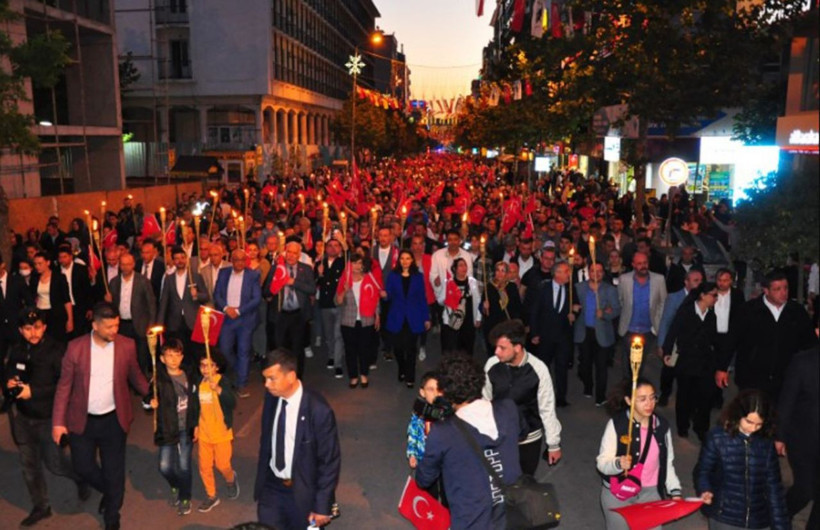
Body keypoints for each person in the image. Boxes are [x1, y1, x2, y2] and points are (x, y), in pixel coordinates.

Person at [51, 302, 150, 530]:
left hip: (114, 420)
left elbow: (135, 375)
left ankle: (112, 516)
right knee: (82, 466)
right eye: (109, 327)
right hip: (82, 420)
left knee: (113, 470)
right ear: (94, 325)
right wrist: (58, 422)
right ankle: (111, 491)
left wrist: (150, 393)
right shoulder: (75, 348)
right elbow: (64, 387)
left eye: (116, 325)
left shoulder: (126, 345)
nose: (114, 331)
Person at [416, 354, 522, 529]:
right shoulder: (508, 408)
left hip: (471, 521)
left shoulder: (443, 432)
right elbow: (521, 433)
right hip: (511, 514)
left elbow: (424, 478)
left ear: (446, 392)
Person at [5, 309, 88, 527]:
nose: (33, 333)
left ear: (45, 327)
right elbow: (9, 371)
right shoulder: (17, 349)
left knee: (55, 464)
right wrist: (9, 382)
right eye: (28, 329)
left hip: (49, 417)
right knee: (29, 466)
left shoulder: (56, 350)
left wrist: (33, 391)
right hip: (23, 418)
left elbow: (66, 385)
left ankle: (81, 477)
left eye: (37, 328)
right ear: (21, 330)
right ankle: (41, 506)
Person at [254, 348, 341, 529]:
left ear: (291, 376)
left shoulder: (318, 410)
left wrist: (322, 505)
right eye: (265, 379)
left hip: (303, 491)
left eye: (272, 378)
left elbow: (329, 461)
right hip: (272, 487)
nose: (266, 385)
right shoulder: (272, 398)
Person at [696, 390, 790, 530]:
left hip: (757, 519)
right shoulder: (717, 438)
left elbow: (774, 488)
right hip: (724, 517)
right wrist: (705, 489)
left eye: (759, 424)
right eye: (749, 422)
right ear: (737, 415)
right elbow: (703, 471)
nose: (753, 428)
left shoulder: (766, 443)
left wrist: (781, 525)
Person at [716, 270, 816, 402]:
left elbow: (809, 343)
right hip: (752, 377)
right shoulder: (749, 311)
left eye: (785, 288)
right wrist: (722, 367)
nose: (783, 293)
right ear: (766, 291)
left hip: (786, 378)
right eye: (777, 289)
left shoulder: (796, 312)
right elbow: (732, 339)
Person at [597, 378, 682, 530]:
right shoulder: (617, 424)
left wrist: (675, 491)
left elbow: (667, 462)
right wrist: (618, 464)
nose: (649, 404)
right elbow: (602, 463)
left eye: (652, 397)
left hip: (651, 493)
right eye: (642, 399)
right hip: (618, 493)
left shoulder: (661, 426)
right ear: (629, 400)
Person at [484, 319, 562, 476]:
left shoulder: (539, 369)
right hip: (500, 437)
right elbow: (484, 401)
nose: (496, 352)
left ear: (517, 348)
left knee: (526, 482)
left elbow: (547, 409)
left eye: (502, 348)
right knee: (499, 482)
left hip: (529, 439)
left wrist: (553, 444)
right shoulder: (491, 365)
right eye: (496, 347)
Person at [662, 282, 719, 441]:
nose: (716, 298)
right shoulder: (686, 312)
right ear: (703, 295)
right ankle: (683, 425)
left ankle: (701, 428)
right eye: (714, 295)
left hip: (705, 362)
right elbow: (673, 331)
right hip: (687, 361)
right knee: (684, 395)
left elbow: (714, 339)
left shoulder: (711, 316)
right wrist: (667, 351)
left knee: (705, 396)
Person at [149, 339, 197, 516]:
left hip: (186, 427)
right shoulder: (158, 379)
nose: (174, 359)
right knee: (164, 466)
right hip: (168, 427)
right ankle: (176, 485)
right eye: (169, 355)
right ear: (162, 359)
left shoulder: (189, 375)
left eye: (177, 355)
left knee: (184, 466)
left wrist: (196, 424)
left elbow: (195, 403)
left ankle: (185, 497)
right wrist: (150, 403)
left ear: (182, 356)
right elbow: (147, 398)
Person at [776, 346, 818, 528]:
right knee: (805, 489)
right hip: (803, 438)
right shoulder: (803, 361)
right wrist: (780, 436)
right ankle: (781, 515)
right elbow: (787, 399)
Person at [193, 349, 239, 513]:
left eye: (210, 365)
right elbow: (195, 407)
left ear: (217, 367)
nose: (205, 369)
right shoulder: (198, 384)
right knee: (204, 466)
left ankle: (231, 479)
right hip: (204, 433)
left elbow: (232, 402)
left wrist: (219, 390)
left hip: (221, 434)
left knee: (222, 465)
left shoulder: (223, 381)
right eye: (202, 365)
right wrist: (195, 426)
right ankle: (211, 495)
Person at [263, 241, 315, 378]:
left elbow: (312, 289)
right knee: (279, 349)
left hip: (298, 315)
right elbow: (266, 290)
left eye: (294, 253)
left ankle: (297, 378)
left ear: (299, 255)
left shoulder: (306, 269)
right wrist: (275, 287)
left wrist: (294, 282)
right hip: (280, 315)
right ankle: (280, 377)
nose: (291, 255)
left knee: (297, 349)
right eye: (289, 252)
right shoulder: (277, 268)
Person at [213, 249, 261, 398]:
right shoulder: (223, 273)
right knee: (224, 349)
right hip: (227, 318)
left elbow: (256, 299)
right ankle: (239, 370)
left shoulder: (253, 275)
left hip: (245, 319)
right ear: (231, 261)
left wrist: (238, 311)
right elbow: (217, 294)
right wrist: (226, 308)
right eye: (237, 260)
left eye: (242, 260)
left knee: (243, 351)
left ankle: (241, 383)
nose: (240, 263)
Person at [574, 262, 621, 406]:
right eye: (593, 270)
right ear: (588, 272)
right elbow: (571, 305)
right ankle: (588, 387)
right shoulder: (579, 287)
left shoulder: (610, 289)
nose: (596, 273)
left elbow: (616, 309)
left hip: (602, 333)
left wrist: (605, 314)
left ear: (603, 273)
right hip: (584, 331)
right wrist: (573, 309)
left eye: (600, 271)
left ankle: (600, 396)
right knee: (585, 364)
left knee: (601, 366)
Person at [655, 269, 704, 407]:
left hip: (693, 343)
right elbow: (666, 321)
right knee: (669, 370)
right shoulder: (675, 298)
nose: (699, 283)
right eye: (696, 281)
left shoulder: (703, 297)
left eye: (701, 280)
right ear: (686, 282)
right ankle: (665, 393)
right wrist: (662, 344)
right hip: (675, 341)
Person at [383, 249, 431, 387]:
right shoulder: (393, 276)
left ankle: (410, 376)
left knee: (411, 348)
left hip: (413, 316)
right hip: (397, 315)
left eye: (408, 258)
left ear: (412, 260)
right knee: (397, 347)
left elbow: (422, 298)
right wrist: (385, 295)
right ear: (399, 260)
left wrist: (426, 317)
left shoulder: (418, 277)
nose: (405, 261)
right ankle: (402, 367)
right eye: (402, 258)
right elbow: (388, 296)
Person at [530, 261, 575, 407]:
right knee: (544, 367)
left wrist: (574, 313)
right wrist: (534, 333)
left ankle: (561, 397)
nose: (569, 274)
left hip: (563, 336)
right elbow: (535, 311)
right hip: (546, 335)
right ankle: (544, 395)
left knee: (562, 367)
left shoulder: (570, 289)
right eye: (566, 271)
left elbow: (575, 307)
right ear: (556, 273)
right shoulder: (543, 289)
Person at [617, 251, 667, 381]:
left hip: (648, 330)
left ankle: (637, 385)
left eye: (645, 263)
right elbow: (620, 300)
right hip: (629, 328)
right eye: (639, 263)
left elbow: (663, 302)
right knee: (628, 363)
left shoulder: (659, 279)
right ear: (633, 265)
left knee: (641, 362)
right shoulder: (624, 279)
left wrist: (656, 323)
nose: (643, 266)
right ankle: (628, 387)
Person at [107, 252, 156, 380]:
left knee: (141, 356)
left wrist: (151, 325)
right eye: (123, 264)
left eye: (128, 264)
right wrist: (108, 301)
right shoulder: (114, 282)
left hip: (140, 324)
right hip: (121, 325)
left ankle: (142, 382)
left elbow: (151, 304)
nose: (125, 267)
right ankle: (125, 380)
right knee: (123, 355)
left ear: (133, 264)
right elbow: (111, 306)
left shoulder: (143, 281)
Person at [157, 246, 210, 363]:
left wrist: (197, 295)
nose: (179, 261)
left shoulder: (195, 276)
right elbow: (164, 302)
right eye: (176, 258)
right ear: (173, 261)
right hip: (174, 322)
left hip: (192, 321)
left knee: (195, 353)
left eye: (182, 258)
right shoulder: (169, 279)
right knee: (178, 352)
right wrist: (160, 323)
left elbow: (206, 296)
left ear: (186, 259)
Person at [335, 253, 380, 388]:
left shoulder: (369, 278)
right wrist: (344, 290)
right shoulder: (344, 279)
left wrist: (377, 315)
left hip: (366, 319)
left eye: (359, 263)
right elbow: (338, 301)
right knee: (350, 350)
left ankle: (364, 374)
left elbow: (375, 298)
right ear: (349, 265)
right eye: (354, 263)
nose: (356, 266)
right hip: (348, 321)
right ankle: (353, 376)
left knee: (365, 349)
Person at [406, 371, 452, 502]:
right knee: (429, 493)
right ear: (422, 392)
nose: (436, 394)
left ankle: (446, 509)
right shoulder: (419, 412)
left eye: (439, 390)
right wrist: (412, 453)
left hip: (445, 461)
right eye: (431, 389)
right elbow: (413, 433)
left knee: (447, 491)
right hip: (426, 459)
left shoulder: (448, 413)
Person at [438, 257, 482, 356]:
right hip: (453, 321)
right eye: (461, 265)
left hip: (468, 321)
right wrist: (448, 296)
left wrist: (478, 318)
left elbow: (478, 300)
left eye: (465, 265)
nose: (464, 268)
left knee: (467, 349)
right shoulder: (449, 282)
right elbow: (440, 300)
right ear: (455, 269)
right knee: (453, 349)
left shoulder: (472, 282)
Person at [315, 238, 346, 378]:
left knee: (338, 334)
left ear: (340, 248)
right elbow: (314, 282)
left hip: (339, 303)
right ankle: (331, 355)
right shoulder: (320, 263)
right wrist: (318, 274)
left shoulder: (344, 262)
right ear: (325, 248)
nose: (333, 248)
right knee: (328, 333)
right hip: (325, 302)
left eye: (336, 245)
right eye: (330, 245)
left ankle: (338, 364)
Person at [30, 252, 73, 344]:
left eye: (40, 264)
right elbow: (32, 296)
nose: (37, 266)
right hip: (40, 314)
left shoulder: (59, 277)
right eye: (35, 264)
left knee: (57, 340)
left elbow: (67, 300)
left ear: (48, 262)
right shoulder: (34, 278)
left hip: (56, 314)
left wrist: (70, 319)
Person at [481, 261, 523, 356]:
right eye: (498, 270)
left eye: (503, 271)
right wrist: (484, 307)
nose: (500, 273)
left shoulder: (511, 287)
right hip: (493, 326)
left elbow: (517, 307)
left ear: (507, 273)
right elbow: (485, 312)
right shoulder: (489, 287)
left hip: (508, 326)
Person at [56, 245, 93, 339]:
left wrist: (89, 307)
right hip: (63, 307)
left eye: (64, 257)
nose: (62, 260)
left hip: (79, 306)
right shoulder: (56, 271)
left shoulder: (81, 269)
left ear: (71, 256)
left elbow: (87, 289)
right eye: (60, 257)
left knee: (79, 334)